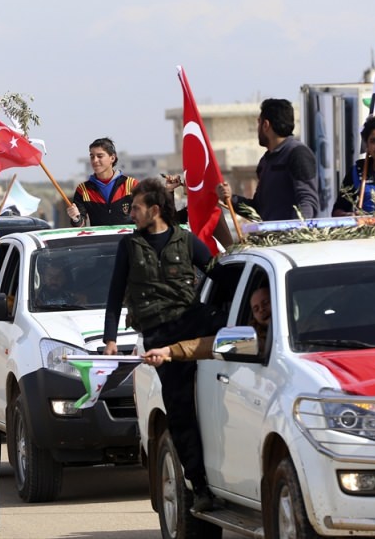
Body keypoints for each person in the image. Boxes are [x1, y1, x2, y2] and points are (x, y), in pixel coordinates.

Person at [102, 177, 220, 512]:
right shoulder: (129, 247)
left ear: (154, 210)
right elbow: (114, 296)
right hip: (158, 338)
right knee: (180, 411)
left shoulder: (186, 241)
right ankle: (199, 486)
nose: (131, 214)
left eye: (136, 208)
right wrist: (110, 339)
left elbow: (218, 273)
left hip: (190, 325)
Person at [218, 98, 319, 221]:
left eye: (259, 122)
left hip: (289, 239)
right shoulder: (265, 162)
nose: (257, 128)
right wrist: (229, 198)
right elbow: (257, 211)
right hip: (269, 237)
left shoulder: (297, 153)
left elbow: (308, 202)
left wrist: (295, 233)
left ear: (265, 125)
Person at [142, 285, 271, 365]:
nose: (262, 310)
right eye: (255, 308)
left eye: (266, 302)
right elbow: (206, 346)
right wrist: (168, 351)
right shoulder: (254, 339)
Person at [67, 137, 139, 227]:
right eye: (92, 156)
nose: (95, 160)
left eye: (100, 156)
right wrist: (76, 218)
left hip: (129, 240)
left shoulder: (131, 185)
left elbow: (144, 217)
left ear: (112, 158)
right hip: (100, 241)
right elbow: (80, 225)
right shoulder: (83, 190)